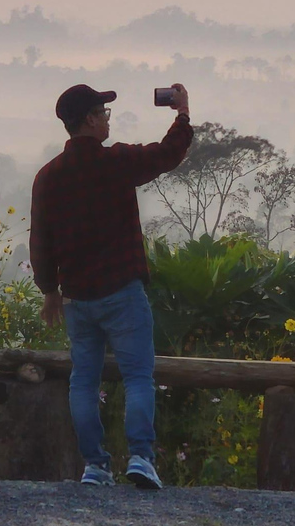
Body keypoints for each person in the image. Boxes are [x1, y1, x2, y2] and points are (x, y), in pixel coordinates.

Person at [30, 83, 193, 489]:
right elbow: (167, 154)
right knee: (138, 375)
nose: (107, 118)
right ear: (88, 119)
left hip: (77, 300)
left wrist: (50, 290)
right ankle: (140, 457)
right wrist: (183, 114)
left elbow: (41, 241)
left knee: (83, 381)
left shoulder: (48, 177)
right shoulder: (116, 161)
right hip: (122, 292)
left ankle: (95, 466)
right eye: (103, 112)